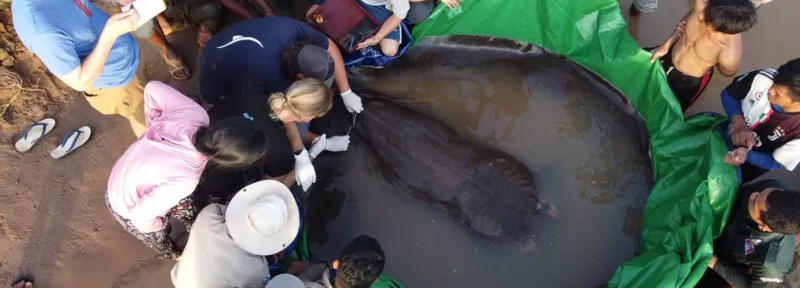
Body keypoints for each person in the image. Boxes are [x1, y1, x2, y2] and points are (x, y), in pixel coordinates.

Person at [106, 81, 273, 260]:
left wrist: (155, 124)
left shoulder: (195, 114)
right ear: (227, 162)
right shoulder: (186, 179)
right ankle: (174, 252)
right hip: (126, 203)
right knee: (158, 236)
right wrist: (159, 223)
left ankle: (194, 226)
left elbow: (152, 88)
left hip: (126, 173)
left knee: (193, 206)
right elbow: (139, 215)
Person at [11, 0, 177, 137]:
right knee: (147, 121)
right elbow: (80, 81)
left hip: (131, 46)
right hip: (117, 82)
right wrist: (110, 34)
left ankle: (178, 116)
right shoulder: (40, 30)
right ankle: (167, 148)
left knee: (164, 88)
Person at [204, 78, 350, 193]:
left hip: (200, 131)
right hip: (215, 176)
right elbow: (274, 187)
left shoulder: (252, 83)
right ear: (307, 118)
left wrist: (299, 150)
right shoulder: (279, 151)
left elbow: (280, 111)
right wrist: (312, 155)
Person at [199, 16, 364, 114]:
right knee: (229, 109)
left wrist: (346, 92)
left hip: (223, 42)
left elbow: (331, 47)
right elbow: (283, 109)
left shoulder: (292, 28)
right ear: (299, 77)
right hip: (213, 73)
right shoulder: (271, 75)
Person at [171, 180, 308, 288]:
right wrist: (289, 274)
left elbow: (230, 215)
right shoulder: (257, 269)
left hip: (182, 279)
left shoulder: (210, 213)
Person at [649, 0, 757, 112]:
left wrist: (710, 58)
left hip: (687, 82)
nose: (700, 15)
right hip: (668, 54)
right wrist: (666, 46)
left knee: (668, 110)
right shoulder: (703, 5)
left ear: (722, 31)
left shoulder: (729, 55)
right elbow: (685, 21)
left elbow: (727, 72)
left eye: (707, 18)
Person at [696, 179, 800, 288]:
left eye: (754, 202)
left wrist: (712, 260)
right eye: (760, 193)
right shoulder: (774, 186)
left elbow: (749, 285)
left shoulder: (771, 265)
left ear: (764, 227)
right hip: (727, 219)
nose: (753, 195)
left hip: (726, 254)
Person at [720, 58, 800, 183]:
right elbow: (729, 94)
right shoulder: (763, 78)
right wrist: (739, 124)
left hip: (744, 167)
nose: (770, 90)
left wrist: (747, 155)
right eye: (774, 83)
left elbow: (775, 163)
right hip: (722, 136)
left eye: (778, 94)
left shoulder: (797, 134)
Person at [305, 0, 439, 56]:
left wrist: (376, 38)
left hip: (378, 8)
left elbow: (399, 14)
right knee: (311, 17)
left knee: (390, 50)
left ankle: (369, 38)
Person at [295, 235, 405, 288]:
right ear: (375, 280)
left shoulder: (305, 285)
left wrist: (322, 267)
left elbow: (301, 279)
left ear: (336, 264)